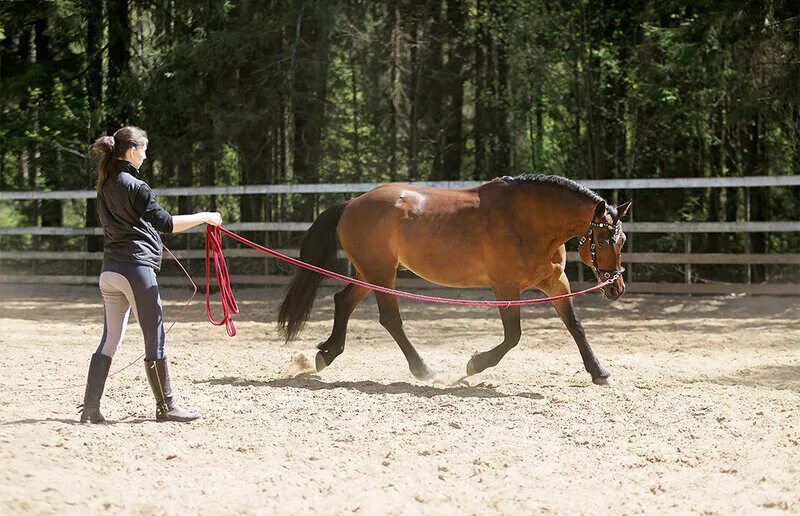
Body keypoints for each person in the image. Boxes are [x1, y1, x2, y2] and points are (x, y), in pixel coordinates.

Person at [79, 126, 222, 423]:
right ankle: (166, 407)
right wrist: (205, 217)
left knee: (110, 339)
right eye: (144, 149)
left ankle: (90, 408)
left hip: (110, 272)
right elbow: (166, 223)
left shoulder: (104, 185)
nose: (146, 155)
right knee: (154, 337)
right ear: (131, 151)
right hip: (135, 271)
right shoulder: (136, 186)